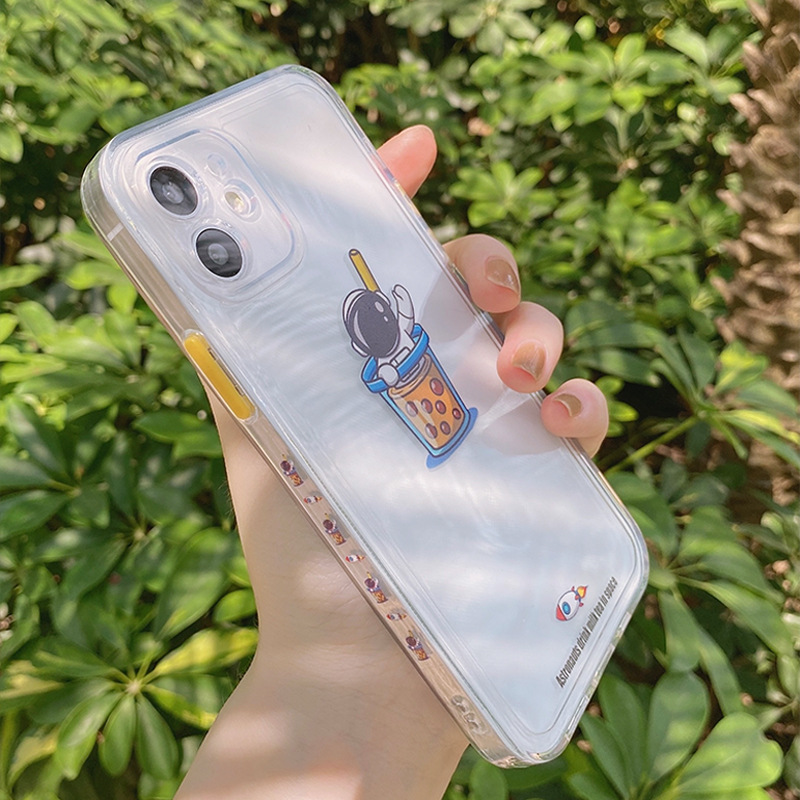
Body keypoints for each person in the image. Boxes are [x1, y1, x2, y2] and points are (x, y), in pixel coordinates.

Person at [174, 126, 609, 800]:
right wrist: (340, 680)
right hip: (426, 414)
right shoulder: (378, 353)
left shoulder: (395, 330)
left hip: (439, 411)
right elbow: (381, 359)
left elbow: (400, 327)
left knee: (472, 359)